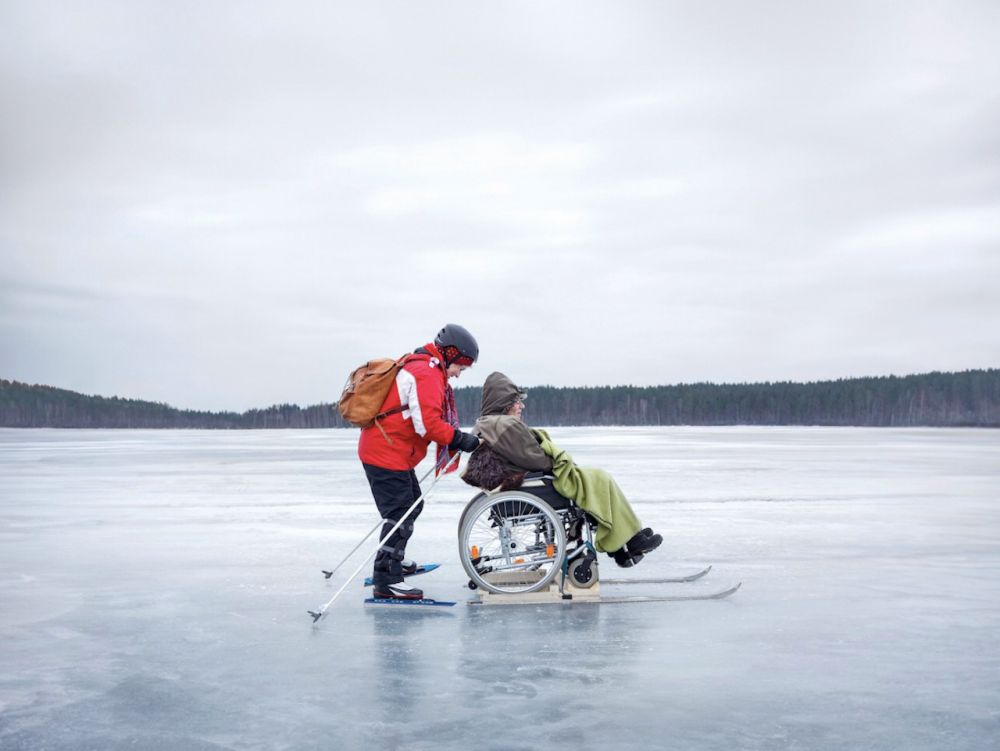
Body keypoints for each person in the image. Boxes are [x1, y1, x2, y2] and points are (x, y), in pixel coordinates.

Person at [463, 371, 662, 567]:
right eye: (517, 401)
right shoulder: (505, 425)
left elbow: (525, 455)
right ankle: (625, 542)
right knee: (600, 479)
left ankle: (624, 541)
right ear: (504, 402)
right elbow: (537, 460)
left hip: (523, 481)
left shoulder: (490, 423)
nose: (521, 405)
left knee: (597, 478)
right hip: (534, 484)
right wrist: (557, 458)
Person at [358, 324, 481, 600]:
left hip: (391, 452)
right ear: (450, 354)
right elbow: (428, 425)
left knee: (412, 504)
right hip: (384, 453)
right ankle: (386, 577)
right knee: (400, 513)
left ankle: (394, 559)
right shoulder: (426, 372)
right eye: (461, 366)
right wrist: (460, 439)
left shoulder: (427, 368)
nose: (459, 374)